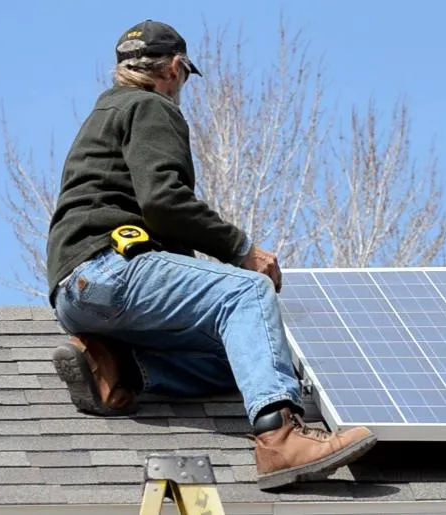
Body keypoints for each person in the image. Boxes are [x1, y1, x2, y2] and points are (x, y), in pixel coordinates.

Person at [45, 19, 376, 491]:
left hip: (76, 294)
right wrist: (241, 250)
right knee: (247, 295)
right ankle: (279, 436)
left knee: (239, 358)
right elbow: (162, 200)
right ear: (177, 68)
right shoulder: (151, 106)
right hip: (111, 268)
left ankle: (117, 367)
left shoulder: (104, 112)